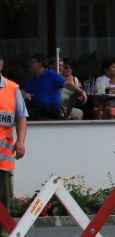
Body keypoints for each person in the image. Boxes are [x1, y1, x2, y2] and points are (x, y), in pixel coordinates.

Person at [0, 55, 27, 205]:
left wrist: (21, 141)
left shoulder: (12, 88)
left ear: (1, 64)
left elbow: (21, 117)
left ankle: (3, 222)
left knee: (4, 196)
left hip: (3, 153)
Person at [21, 54, 66, 121]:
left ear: (40, 63)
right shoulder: (33, 79)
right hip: (38, 107)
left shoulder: (51, 74)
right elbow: (22, 91)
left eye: (32, 62)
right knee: (24, 111)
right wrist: (25, 94)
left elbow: (66, 83)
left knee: (26, 114)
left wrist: (80, 91)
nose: (30, 65)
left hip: (51, 108)